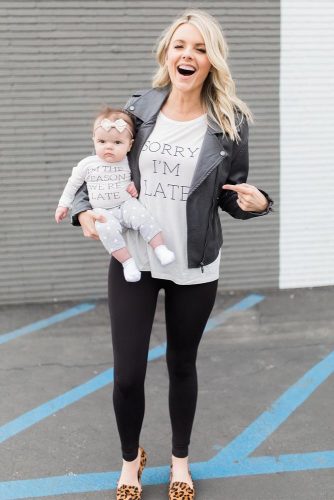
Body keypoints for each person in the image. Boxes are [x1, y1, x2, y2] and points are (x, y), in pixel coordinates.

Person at [71, 9, 273, 500]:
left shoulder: (230, 122)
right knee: (127, 373)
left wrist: (257, 202)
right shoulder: (138, 110)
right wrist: (82, 213)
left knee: (183, 364)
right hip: (134, 258)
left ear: (212, 61)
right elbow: (99, 167)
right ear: (168, 52)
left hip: (195, 262)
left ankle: (180, 461)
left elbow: (230, 192)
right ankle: (130, 458)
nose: (189, 55)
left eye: (201, 48)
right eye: (182, 45)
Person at [55, 107, 175, 282]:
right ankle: (128, 263)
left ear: (129, 145)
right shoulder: (87, 164)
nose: (109, 147)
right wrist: (63, 205)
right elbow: (72, 185)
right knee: (106, 230)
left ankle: (160, 249)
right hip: (103, 211)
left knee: (144, 218)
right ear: (94, 141)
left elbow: (142, 177)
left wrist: (136, 185)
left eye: (117, 143)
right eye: (102, 141)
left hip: (126, 205)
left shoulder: (129, 161)